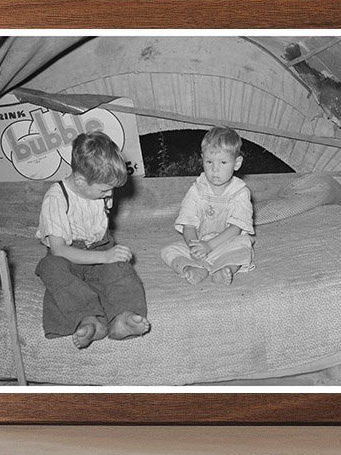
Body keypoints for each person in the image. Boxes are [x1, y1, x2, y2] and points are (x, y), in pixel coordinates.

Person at [35, 131, 150, 349]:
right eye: (105, 190)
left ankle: (121, 318)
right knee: (51, 268)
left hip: (100, 248)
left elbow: (105, 246)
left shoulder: (100, 189)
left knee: (122, 269)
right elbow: (58, 250)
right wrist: (104, 256)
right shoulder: (56, 198)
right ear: (80, 180)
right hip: (68, 254)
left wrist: (109, 257)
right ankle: (91, 320)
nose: (109, 195)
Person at [160, 126, 254, 286]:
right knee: (168, 251)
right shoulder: (197, 189)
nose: (215, 169)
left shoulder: (240, 192)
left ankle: (225, 271)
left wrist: (210, 246)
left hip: (226, 244)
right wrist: (195, 247)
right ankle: (193, 269)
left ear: (237, 163)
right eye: (209, 162)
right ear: (202, 158)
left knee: (244, 247)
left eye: (223, 162)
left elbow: (236, 228)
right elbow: (188, 224)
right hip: (199, 241)